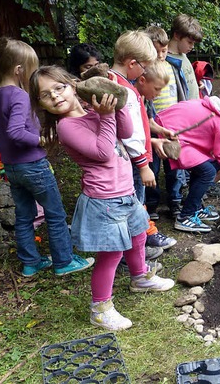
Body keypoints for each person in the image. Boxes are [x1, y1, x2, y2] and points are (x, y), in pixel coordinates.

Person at [29, 66, 175, 331]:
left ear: (73, 86)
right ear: (41, 104)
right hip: (104, 199)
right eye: (45, 95)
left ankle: (140, 277)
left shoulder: (92, 112)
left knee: (138, 235)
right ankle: (100, 309)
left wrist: (115, 106)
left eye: (59, 88)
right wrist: (106, 116)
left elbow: (127, 129)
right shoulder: (67, 127)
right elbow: (103, 152)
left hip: (125, 191)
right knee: (111, 253)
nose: (55, 96)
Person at [0, 38, 94, 278]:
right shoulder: (18, 95)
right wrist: (38, 140)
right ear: (19, 70)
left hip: (12, 166)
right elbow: (15, 131)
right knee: (55, 213)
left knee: (24, 215)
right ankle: (63, 261)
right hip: (32, 165)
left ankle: (30, 262)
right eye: (30, 69)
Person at [155, 88, 220, 233]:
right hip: (172, 133)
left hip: (166, 126)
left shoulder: (217, 106)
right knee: (207, 171)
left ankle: (195, 207)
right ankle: (185, 216)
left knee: (207, 166)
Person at [109, 30, 177, 255]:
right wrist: (144, 165)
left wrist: (156, 137)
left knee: (133, 204)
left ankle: (137, 245)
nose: (144, 72)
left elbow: (142, 126)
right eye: (144, 66)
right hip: (131, 161)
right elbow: (130, 134)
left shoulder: (113, 81)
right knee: (135, 205)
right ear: (132, 63)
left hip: (125, 159)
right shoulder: (125, 92)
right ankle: (136, 250)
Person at [144, 25, 185, 218]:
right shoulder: (144, 74)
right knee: (152, 165)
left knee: (174, 165)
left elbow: (180, 93)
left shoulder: (172, 67)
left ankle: (175, 201)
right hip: (151, 125)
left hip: (173, 125)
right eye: (156, 51)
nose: (160, 55)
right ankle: (151, 203)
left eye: (164, 50)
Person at [167, 14, 203, 101]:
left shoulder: (183, 55)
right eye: (189, 42)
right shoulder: (166, 60)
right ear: (177, 35)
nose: (192, 46)